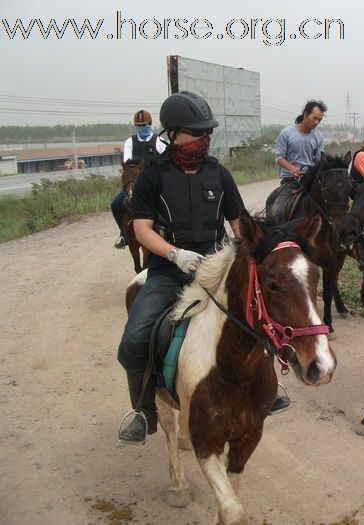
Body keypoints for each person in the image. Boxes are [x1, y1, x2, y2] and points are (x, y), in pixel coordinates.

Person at [116, 91, 245, 444]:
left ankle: (268, 386)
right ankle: (143, 411)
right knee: (132, 341)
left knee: (258, 315)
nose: (205, 139)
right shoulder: (152, 178)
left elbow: (239, 223)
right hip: (168, 275)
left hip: (215, 272)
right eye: (197, 132)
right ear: (173, 135)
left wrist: (243, 248)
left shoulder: (220, 175)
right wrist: (176, 255)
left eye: (207, 133)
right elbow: (141, 230)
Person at [112, 110, 166, 249]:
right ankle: (123, 234)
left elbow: (167, 160)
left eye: (144, 125)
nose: (142, 128)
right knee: (116, 204)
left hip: (155, 183)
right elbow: (128, 162)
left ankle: (168, 232)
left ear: (150, 125)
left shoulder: (159, 141)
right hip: (135, 183)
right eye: (139, 125)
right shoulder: (130, 142)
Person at [269, 100, 326, 219]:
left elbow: (318, 161)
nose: (316, 122)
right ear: (305, 114)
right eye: (314, 118)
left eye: (319, 120)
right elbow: (279, 157)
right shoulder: (287, 133)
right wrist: (292, 168)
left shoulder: (318, 137)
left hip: (311, 182)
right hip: (291, 181)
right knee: (277, 211)